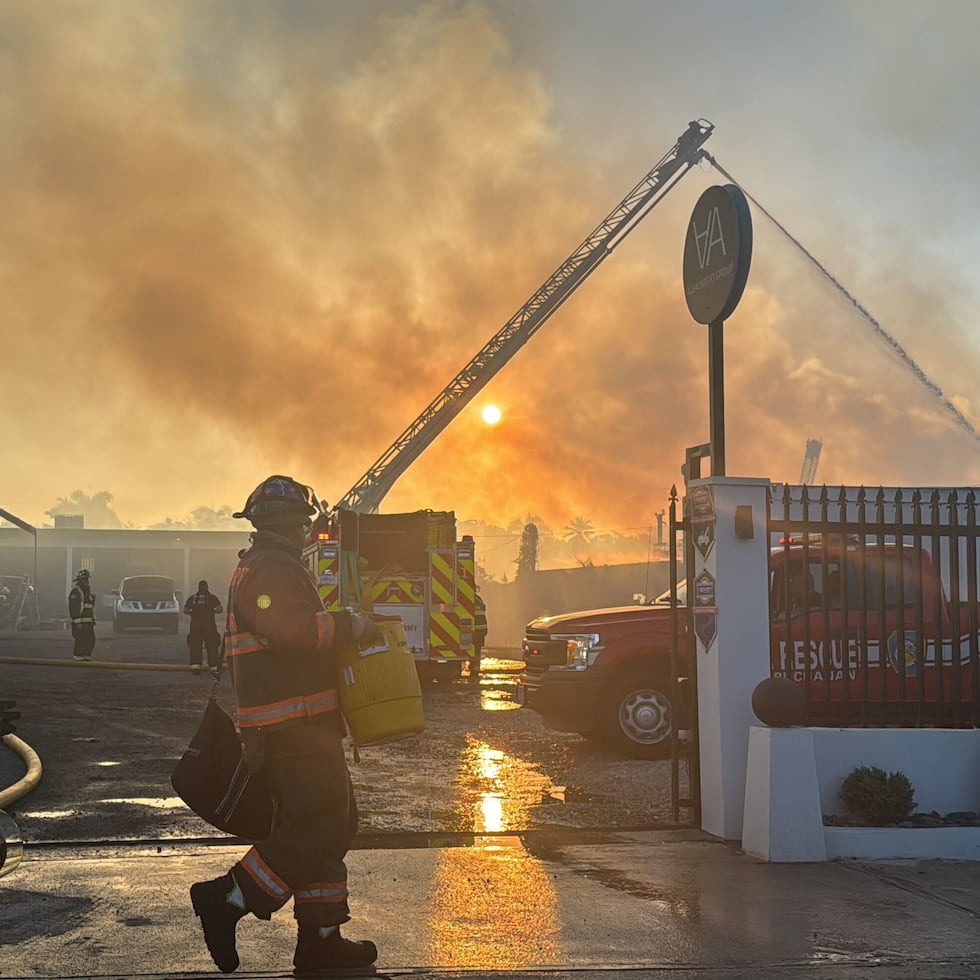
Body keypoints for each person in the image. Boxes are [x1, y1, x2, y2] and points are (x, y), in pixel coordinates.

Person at [189, 475, 382, 975]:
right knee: (315, 828)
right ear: (295, 524)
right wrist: (350, 624)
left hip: (298, 727)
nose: (306, 532)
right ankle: (227, 898)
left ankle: (321, 939)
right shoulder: (271, 570)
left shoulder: (264, 565)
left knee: (332, 825)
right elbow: (296, 632)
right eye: (304, 523)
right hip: (293, 729)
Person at [183, 580, 224, 676]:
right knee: (212, 645)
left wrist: (193, 612)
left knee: (195, 645)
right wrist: (212, 610)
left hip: (195, 627)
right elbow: (220, 609)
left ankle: (195, 667)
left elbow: (185, 610)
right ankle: (214, 668)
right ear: (207, 587)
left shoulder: (192, 598)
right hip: (209, 626)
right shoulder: (212, 598)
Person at [68, 569, 97, 661]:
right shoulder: (76, 592)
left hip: (88, 622)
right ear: (80, 581)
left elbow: (88, 608)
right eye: (85, 580)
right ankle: (78, 656)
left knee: (91, 640)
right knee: (80, 641)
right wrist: (77, 622)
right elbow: (74, 609)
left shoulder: (86, 592)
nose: (87, 582)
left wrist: (92, 620)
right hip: (79, 623)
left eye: (87, 579)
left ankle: (86, 655)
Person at [471, 589, 487, 685]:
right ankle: (475, 670)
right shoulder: (478, 600)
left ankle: (474, 670)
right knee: (476, 651)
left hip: (476, 631)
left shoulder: (471, 599)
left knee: (474, 651)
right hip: (481, 630)